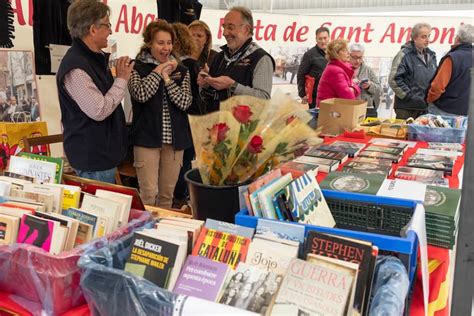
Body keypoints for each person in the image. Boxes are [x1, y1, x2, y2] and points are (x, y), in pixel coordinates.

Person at [56, 0, 133, 183]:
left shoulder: (93, 60)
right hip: (92, 157)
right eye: (107, 25)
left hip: (101, 154)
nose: (111, 31)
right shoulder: (76, 68)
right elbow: (99, 110)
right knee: (100, 209)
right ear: (92, 29)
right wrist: (121, 79)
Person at [128, 20, 192, 208]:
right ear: (149, 43)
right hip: (146, 139)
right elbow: (140, 94)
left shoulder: (181, 70)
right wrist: (158, 72)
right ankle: (144, 232)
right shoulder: (136, 67)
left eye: (169, 43)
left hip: (175, 142)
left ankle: (161, 235)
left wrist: (167, 79)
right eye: (160, 43)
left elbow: (185, 102)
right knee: (148, 195)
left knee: (167, 196)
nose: (166, 48)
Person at [198, 6, 275, 113]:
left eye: (230, 27)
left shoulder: (261, 59)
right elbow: (208, 99)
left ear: (246, 29)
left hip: (245, 128)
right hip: (216, 126)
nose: (224, 33)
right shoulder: (219, 57)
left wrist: (232, 85)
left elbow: (264, 99)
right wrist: (205, 85)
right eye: (224, 27)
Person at [170, 22, 202, 209]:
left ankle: (179, 198)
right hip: (191, 119)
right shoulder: (189, 63)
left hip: (186, 119)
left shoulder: (185, 65)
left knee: (183, 159)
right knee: (185, 159)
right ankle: (180, 197)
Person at [389, 22, 437, 120]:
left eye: (429, 36)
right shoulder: (403, 55)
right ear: (414, 38)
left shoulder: (432, 56)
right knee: (404, 134)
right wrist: (410, 97)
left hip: (425, 108)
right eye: (424, 37)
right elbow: (394, 80)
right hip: (406, 108)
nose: (427, 40)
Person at [426, 24, 473, 116]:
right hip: (467, 112)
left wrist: (429, 99)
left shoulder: (452, 58)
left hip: (445, 110)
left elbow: (437, 87)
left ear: (457, 38)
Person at [316, 39, 361, 107]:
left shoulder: (336, 68)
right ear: (336, 53)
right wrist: (354, 87)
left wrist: (352, 88)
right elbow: (348, 97)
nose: (348, 53)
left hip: (332, 109)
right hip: (331, 112)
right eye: (344, 50)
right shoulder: (335, 71)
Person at [297, 26, 330, 108]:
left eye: (325, 38)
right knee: (316, 119)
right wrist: (302, 94)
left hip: (331, 96)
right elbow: (301, 74)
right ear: (316, 39)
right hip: (316, 97)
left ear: (329, 38)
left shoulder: (334, 53)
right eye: (320, 39)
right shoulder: (309, 54)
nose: (323, 41)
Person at [348, 43, 382, 117]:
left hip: (367, 109)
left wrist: (369, 86)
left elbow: (379, 90)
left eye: (360, 57)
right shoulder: (342, 70)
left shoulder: (368, 70)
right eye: (354, 57)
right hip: (348, 108)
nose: (357, 61)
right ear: (348, 55)